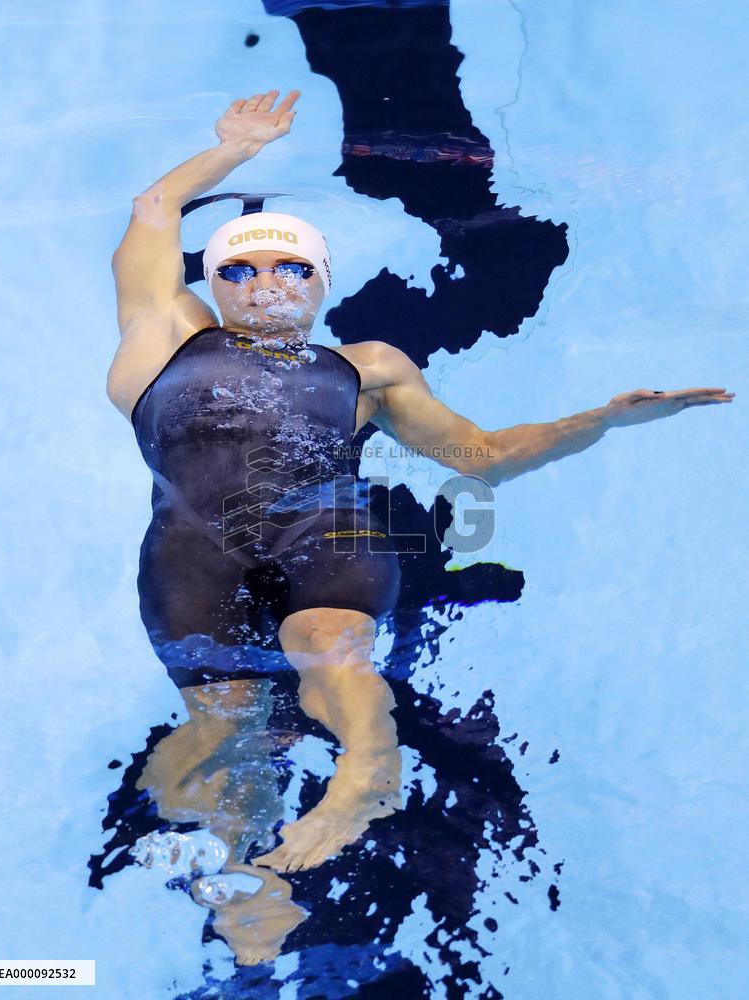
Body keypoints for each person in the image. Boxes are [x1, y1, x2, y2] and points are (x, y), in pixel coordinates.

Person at [107, 89, 734, 877]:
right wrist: (233, 148)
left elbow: (479, 457)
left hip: (321, 537)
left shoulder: (367, 367)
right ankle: (245, 883)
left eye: (291, 264)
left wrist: (599, 421)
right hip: (192, 554)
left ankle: (368, 768)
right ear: (216, 281)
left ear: (320, 281)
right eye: (240, 267)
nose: (266, 280)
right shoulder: (162, 334)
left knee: (329, 647)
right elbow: (157, 207)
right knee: (221, 730)